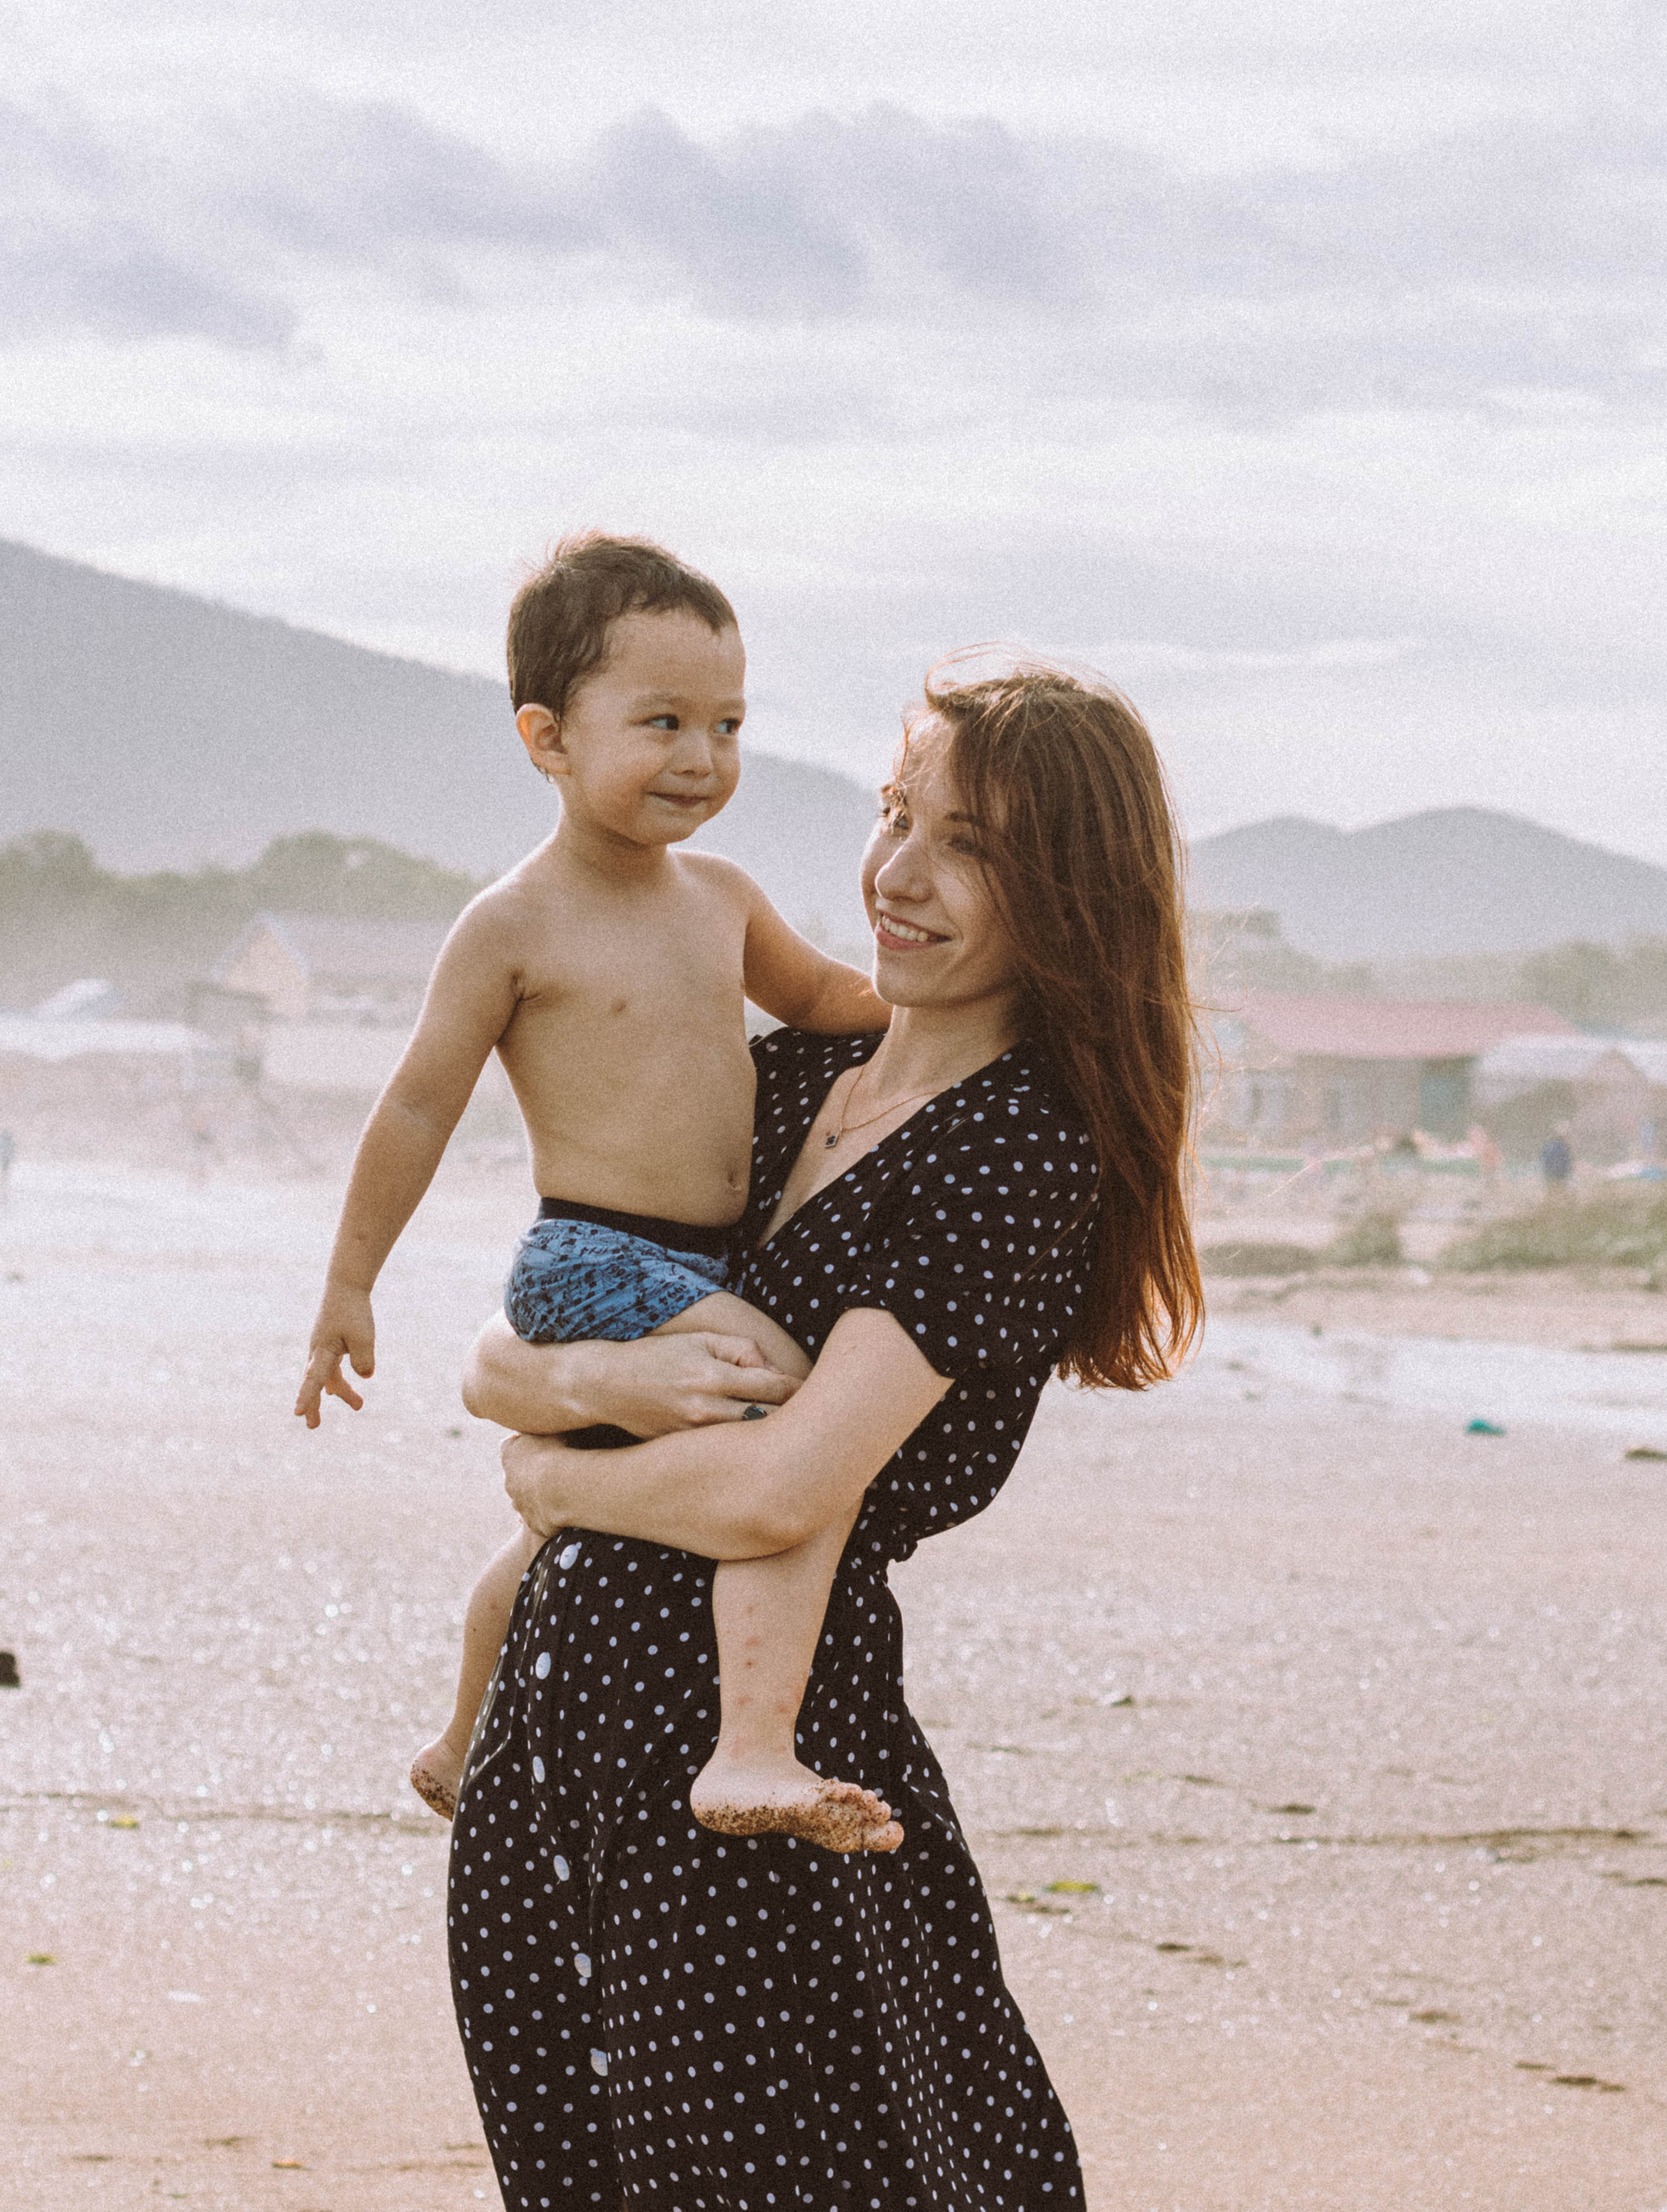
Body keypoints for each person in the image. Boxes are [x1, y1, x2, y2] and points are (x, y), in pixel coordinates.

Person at [447, 659, 1202, 2210]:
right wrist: (566, 1412)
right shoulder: (782, 1079)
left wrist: (549, 1475)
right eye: (893, 814)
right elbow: (513, 1344)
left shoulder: (1016, 1150)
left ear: (1070, 888)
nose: (899, 875)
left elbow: (786, 1488)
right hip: (553, 1754)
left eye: (970, 844)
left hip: (751, 1776)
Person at [293, 533, 889, 1838]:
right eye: (662, 721)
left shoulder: (723, 896)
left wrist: (972, 1003)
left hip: (708, 1258)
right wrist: (349, 1284)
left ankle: (460, 1741)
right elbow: (416, 1104)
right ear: (547, 738)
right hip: (593, 1259)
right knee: (785, 1416)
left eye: (728, 724)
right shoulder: (514, 922)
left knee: (563, 1532)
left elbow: (836, 1003)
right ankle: (753, 1743)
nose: (702, 758)